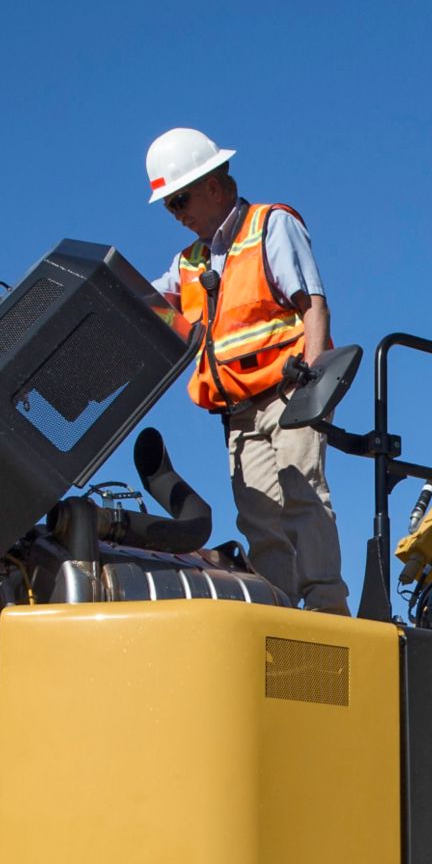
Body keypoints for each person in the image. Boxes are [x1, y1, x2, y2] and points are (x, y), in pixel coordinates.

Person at [145, 128, 349, 615]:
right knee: (260, 519)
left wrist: (314, 391)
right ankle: (277, 615)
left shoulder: (269, 225)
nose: (176, 214)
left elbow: (313, 306)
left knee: (303, 497)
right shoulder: (189, 262)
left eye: (180, 200)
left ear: (213, 185)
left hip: (288, 394)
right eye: (170, 206)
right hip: (238, 413)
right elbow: (147, 301)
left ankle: (327, 614)